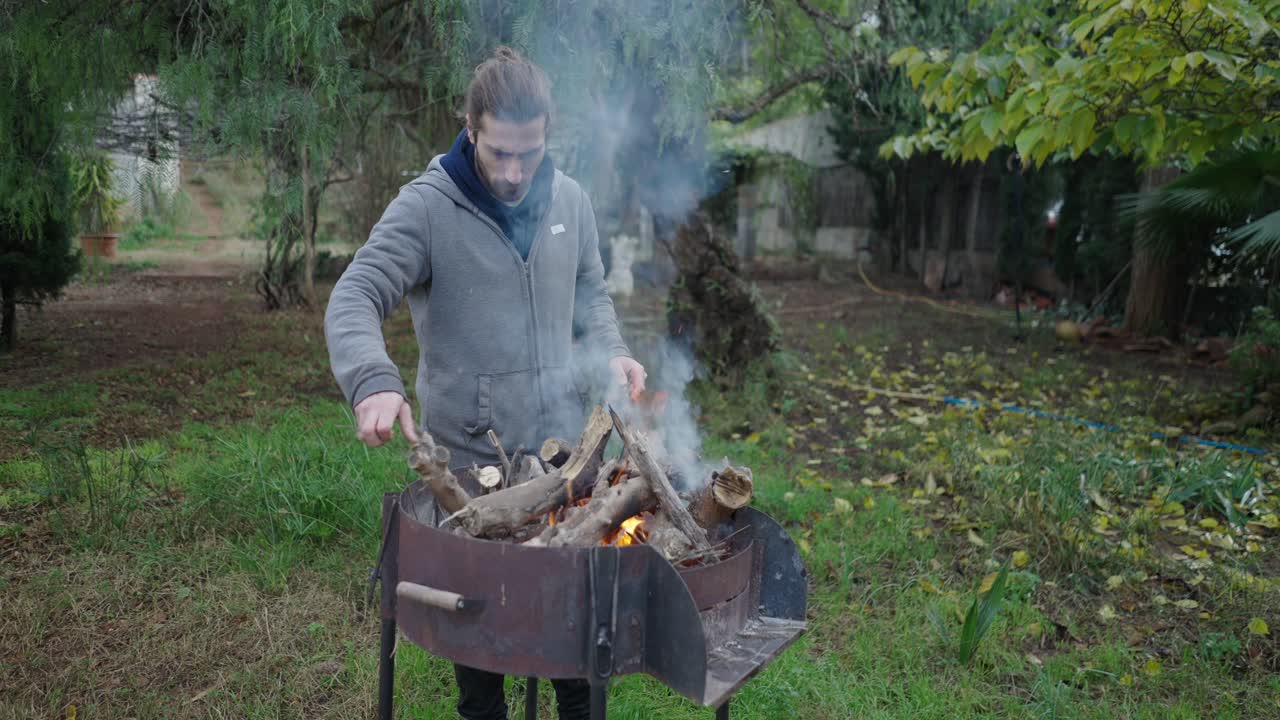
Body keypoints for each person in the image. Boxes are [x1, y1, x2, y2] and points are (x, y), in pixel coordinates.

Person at [324, 46, 645, 720]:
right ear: (470, 128)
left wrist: (612, 351)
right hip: (474, 477)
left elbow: (591, 294)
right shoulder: (427, 209)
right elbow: (355, 295)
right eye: (499, 151)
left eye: (528, 153)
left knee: (575, 661)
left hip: (564, 465)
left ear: (547, 136)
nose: (513, 172)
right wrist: (373, 380)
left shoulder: (570, 201)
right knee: (485, 670)